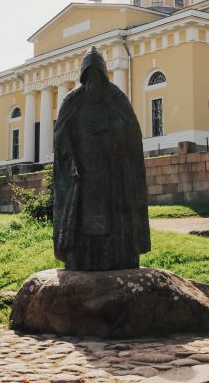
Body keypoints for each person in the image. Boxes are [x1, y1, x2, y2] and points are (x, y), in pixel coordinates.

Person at [52, 46, 151, 271]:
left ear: (104, 76)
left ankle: (116, 258)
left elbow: (132, 132)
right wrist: (73, 163)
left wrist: (107, 127)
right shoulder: (73, 100)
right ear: (84, 76)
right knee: (85, 219)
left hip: (112, 173)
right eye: (90, 76)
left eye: (98, 76)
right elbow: (61, 136)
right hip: (84, 174)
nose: (94, 83)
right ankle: (81, 259)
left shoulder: (115, 97)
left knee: (112, 217)